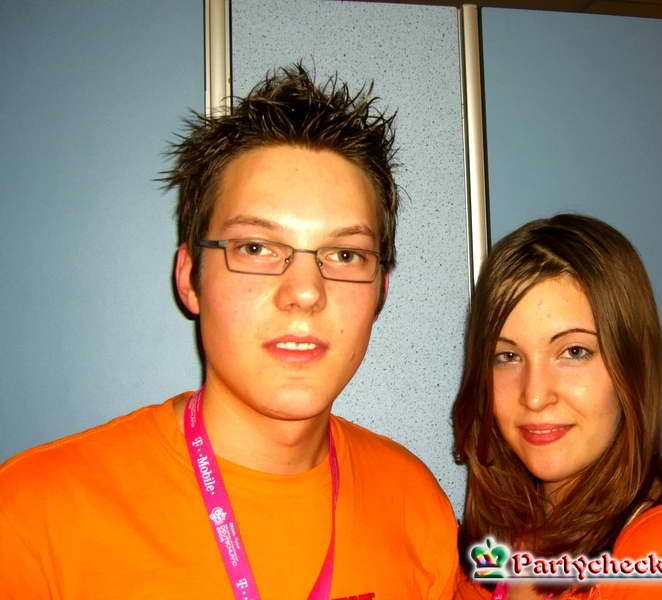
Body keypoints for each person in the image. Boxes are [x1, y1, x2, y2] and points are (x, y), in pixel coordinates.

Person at [0, 64, 458, 599]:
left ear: (380, 291)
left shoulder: (415, 503)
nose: (305, 292)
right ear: (189, 278)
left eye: (344, 254)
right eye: (256, 248)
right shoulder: (31, 516)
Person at [452, 214, 662, 599]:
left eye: (574, 352)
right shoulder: (499, 545)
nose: (535, 396)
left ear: (632, 367)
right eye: (507, 356)